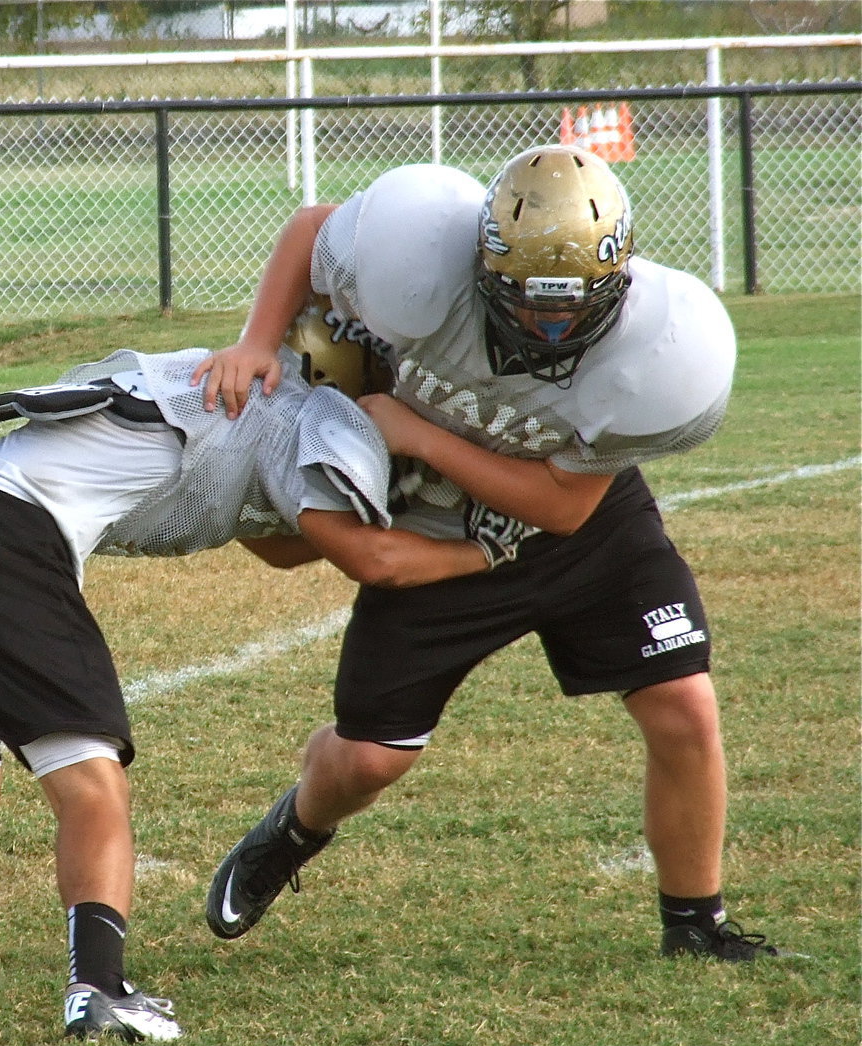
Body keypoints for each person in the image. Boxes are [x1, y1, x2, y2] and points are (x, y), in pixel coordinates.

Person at [0, 343, 500, 1042]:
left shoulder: (217, 379)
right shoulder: (300, 409)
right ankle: (100, 990)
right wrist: (481, 553)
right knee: (95, 789)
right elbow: (371, 560)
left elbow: (276, 545)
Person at [197, 145, 782, 962]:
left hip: (582, 525)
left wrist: (419, 433)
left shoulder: (660, 348)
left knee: (683, 705)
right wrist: (258, 340)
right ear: (481, 263)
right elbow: (312, 228)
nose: (550, 327)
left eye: (575, 308)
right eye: (528, 304)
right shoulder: (419, 257)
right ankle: (296, 827)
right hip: (434, 526)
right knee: (367, 759)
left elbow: (560, 504)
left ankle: (696, 924)